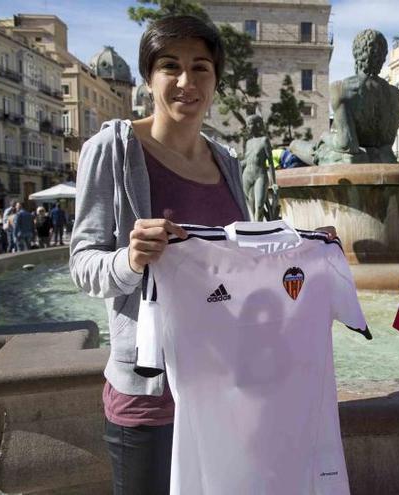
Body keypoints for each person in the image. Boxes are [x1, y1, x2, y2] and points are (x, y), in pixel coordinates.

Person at [69, 15, 335, 495]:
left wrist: (305, 246)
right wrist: (129, 260)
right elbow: (83, 264)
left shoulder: (226, 161)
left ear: (215, 79)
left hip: (227, 390)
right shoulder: (112, 148)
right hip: (151, 399)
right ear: (149, 77)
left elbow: (241, 259)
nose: (185, 82)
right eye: (170, 66)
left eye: (201, 68)